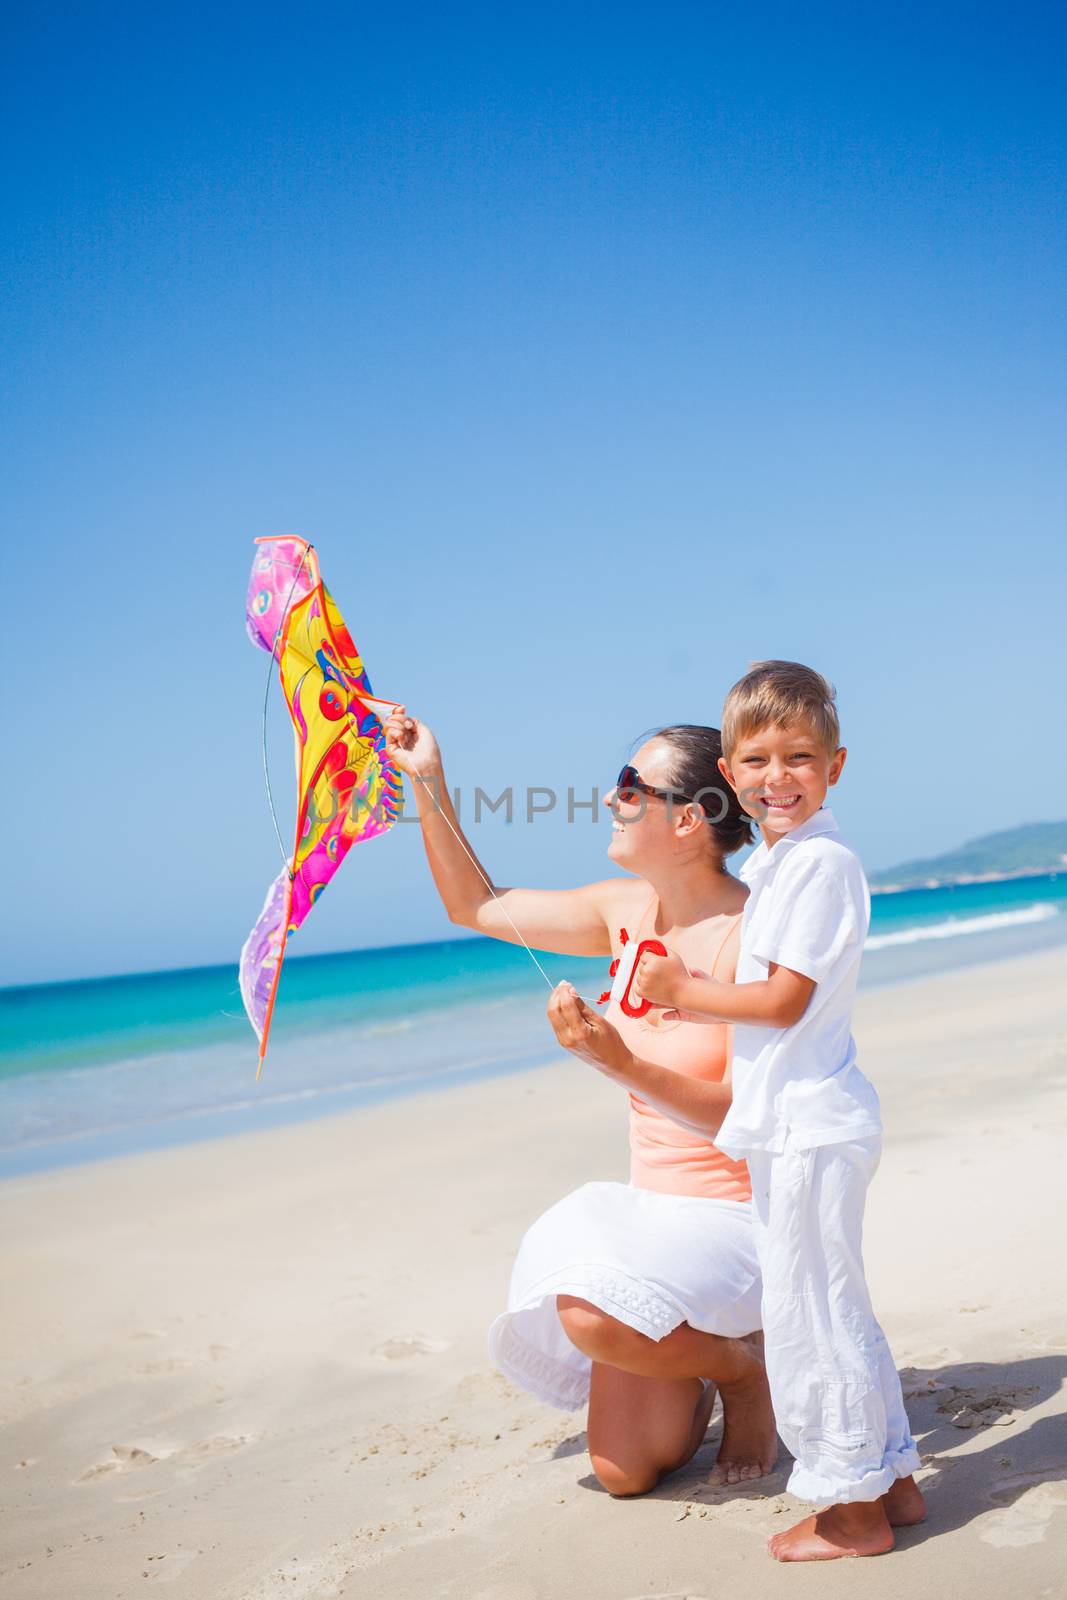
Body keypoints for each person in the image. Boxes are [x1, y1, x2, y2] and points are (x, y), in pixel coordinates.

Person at [549, 660, 925, 1560]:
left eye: (799, 757)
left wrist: (688, 988)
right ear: (728, 775)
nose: (776, 777)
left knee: (813, 1319)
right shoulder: (781, 860)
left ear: (836, 766)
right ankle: (896, 1481)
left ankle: (851, 1511)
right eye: (754, 761)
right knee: (837, 1306)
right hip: (799, 1124)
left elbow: (786, 1000)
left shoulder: (818, 864)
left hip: (807, 1124)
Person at [383, 707, 778, 1497]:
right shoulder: (621, 911)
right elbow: (476, 907)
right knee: (622, 1470)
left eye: (632, 785)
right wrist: (427, 779)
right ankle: (713, 1352)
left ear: (694, 817)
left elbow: (744, 1119)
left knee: (587, 1315)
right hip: (653, 1216)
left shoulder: (753, 934)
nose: (610, 797)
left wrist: (620, 1062)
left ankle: (742, 1369)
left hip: (739, 1225)